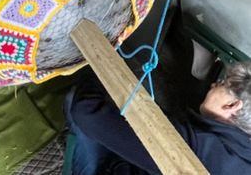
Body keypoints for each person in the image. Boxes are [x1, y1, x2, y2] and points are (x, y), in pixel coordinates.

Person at [65, 61, 251, 174]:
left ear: (232, 105)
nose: (213, 85)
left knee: (76, 100)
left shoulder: (197, 147)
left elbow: (86, 111)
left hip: (116, 169)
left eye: (221, 83)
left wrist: (96, 68)